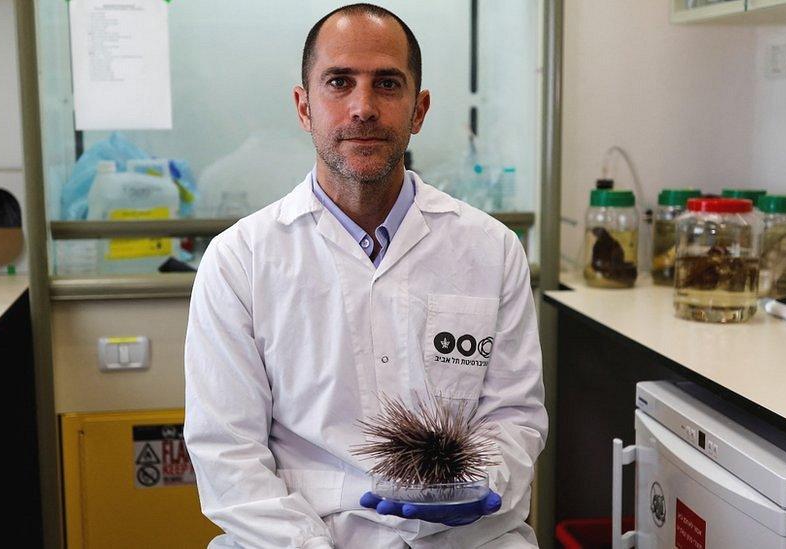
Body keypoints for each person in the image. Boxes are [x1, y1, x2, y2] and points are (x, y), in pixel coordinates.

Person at [184, 4, 547, 547]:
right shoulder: (240, 260)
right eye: (338, 82)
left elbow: (513, 417)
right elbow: (227, 452)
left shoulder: (491, 249)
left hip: (465, 536)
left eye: (387, 84)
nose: (363, 107)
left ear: (418, 109)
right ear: (304, 106)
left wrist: (475, 488)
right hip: (298, 535)